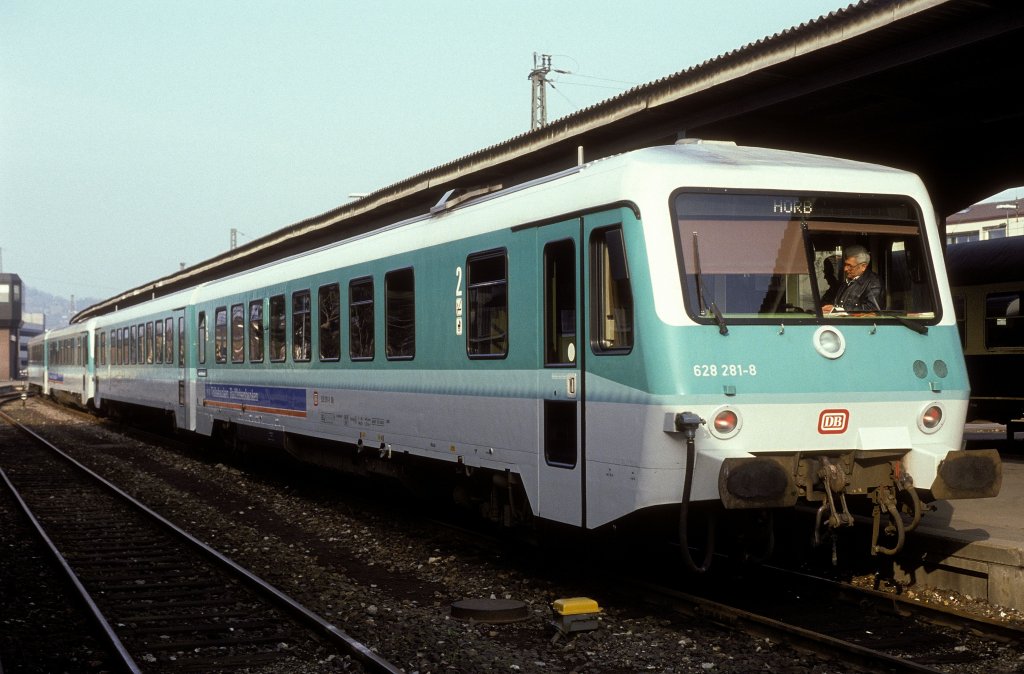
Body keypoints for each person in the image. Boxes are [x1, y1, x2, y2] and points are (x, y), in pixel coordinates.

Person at [822, 245, 882, 313]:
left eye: (850, 266)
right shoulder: (848, 281)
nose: (845, 269)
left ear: (863, 266)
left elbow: (872, 310)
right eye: (845, 265)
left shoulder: (874, 283)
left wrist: (839, 310)